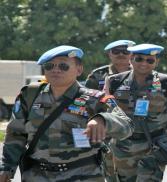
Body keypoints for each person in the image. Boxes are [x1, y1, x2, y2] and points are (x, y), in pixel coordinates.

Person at [0, 45, 134, 182]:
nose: (55, 70)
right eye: (49, 66)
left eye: (63, 66)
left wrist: (103, 120)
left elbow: (127, 126)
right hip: (37, 175)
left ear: (79, 69)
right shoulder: (30, 95)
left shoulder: (96, 99)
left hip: (82, 175)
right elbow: (15, 135)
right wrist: (6, 167)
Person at [105, 44, 167, 181]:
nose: (144, 63)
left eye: (150, 60)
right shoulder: (115, 81)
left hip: (152, 147)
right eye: (139, 59)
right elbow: (107, 107)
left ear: (156, 62)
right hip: (123, 146)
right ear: (131, 59)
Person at [85, 40, 135, 182]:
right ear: (109, 54)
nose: (121, 54)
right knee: (111, 173)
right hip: (108, 133)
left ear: (132, 54)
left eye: (125, 51)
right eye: (116, 51)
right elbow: (87, 102)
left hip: (137, 132)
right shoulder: (98, 75)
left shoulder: (141, 73)